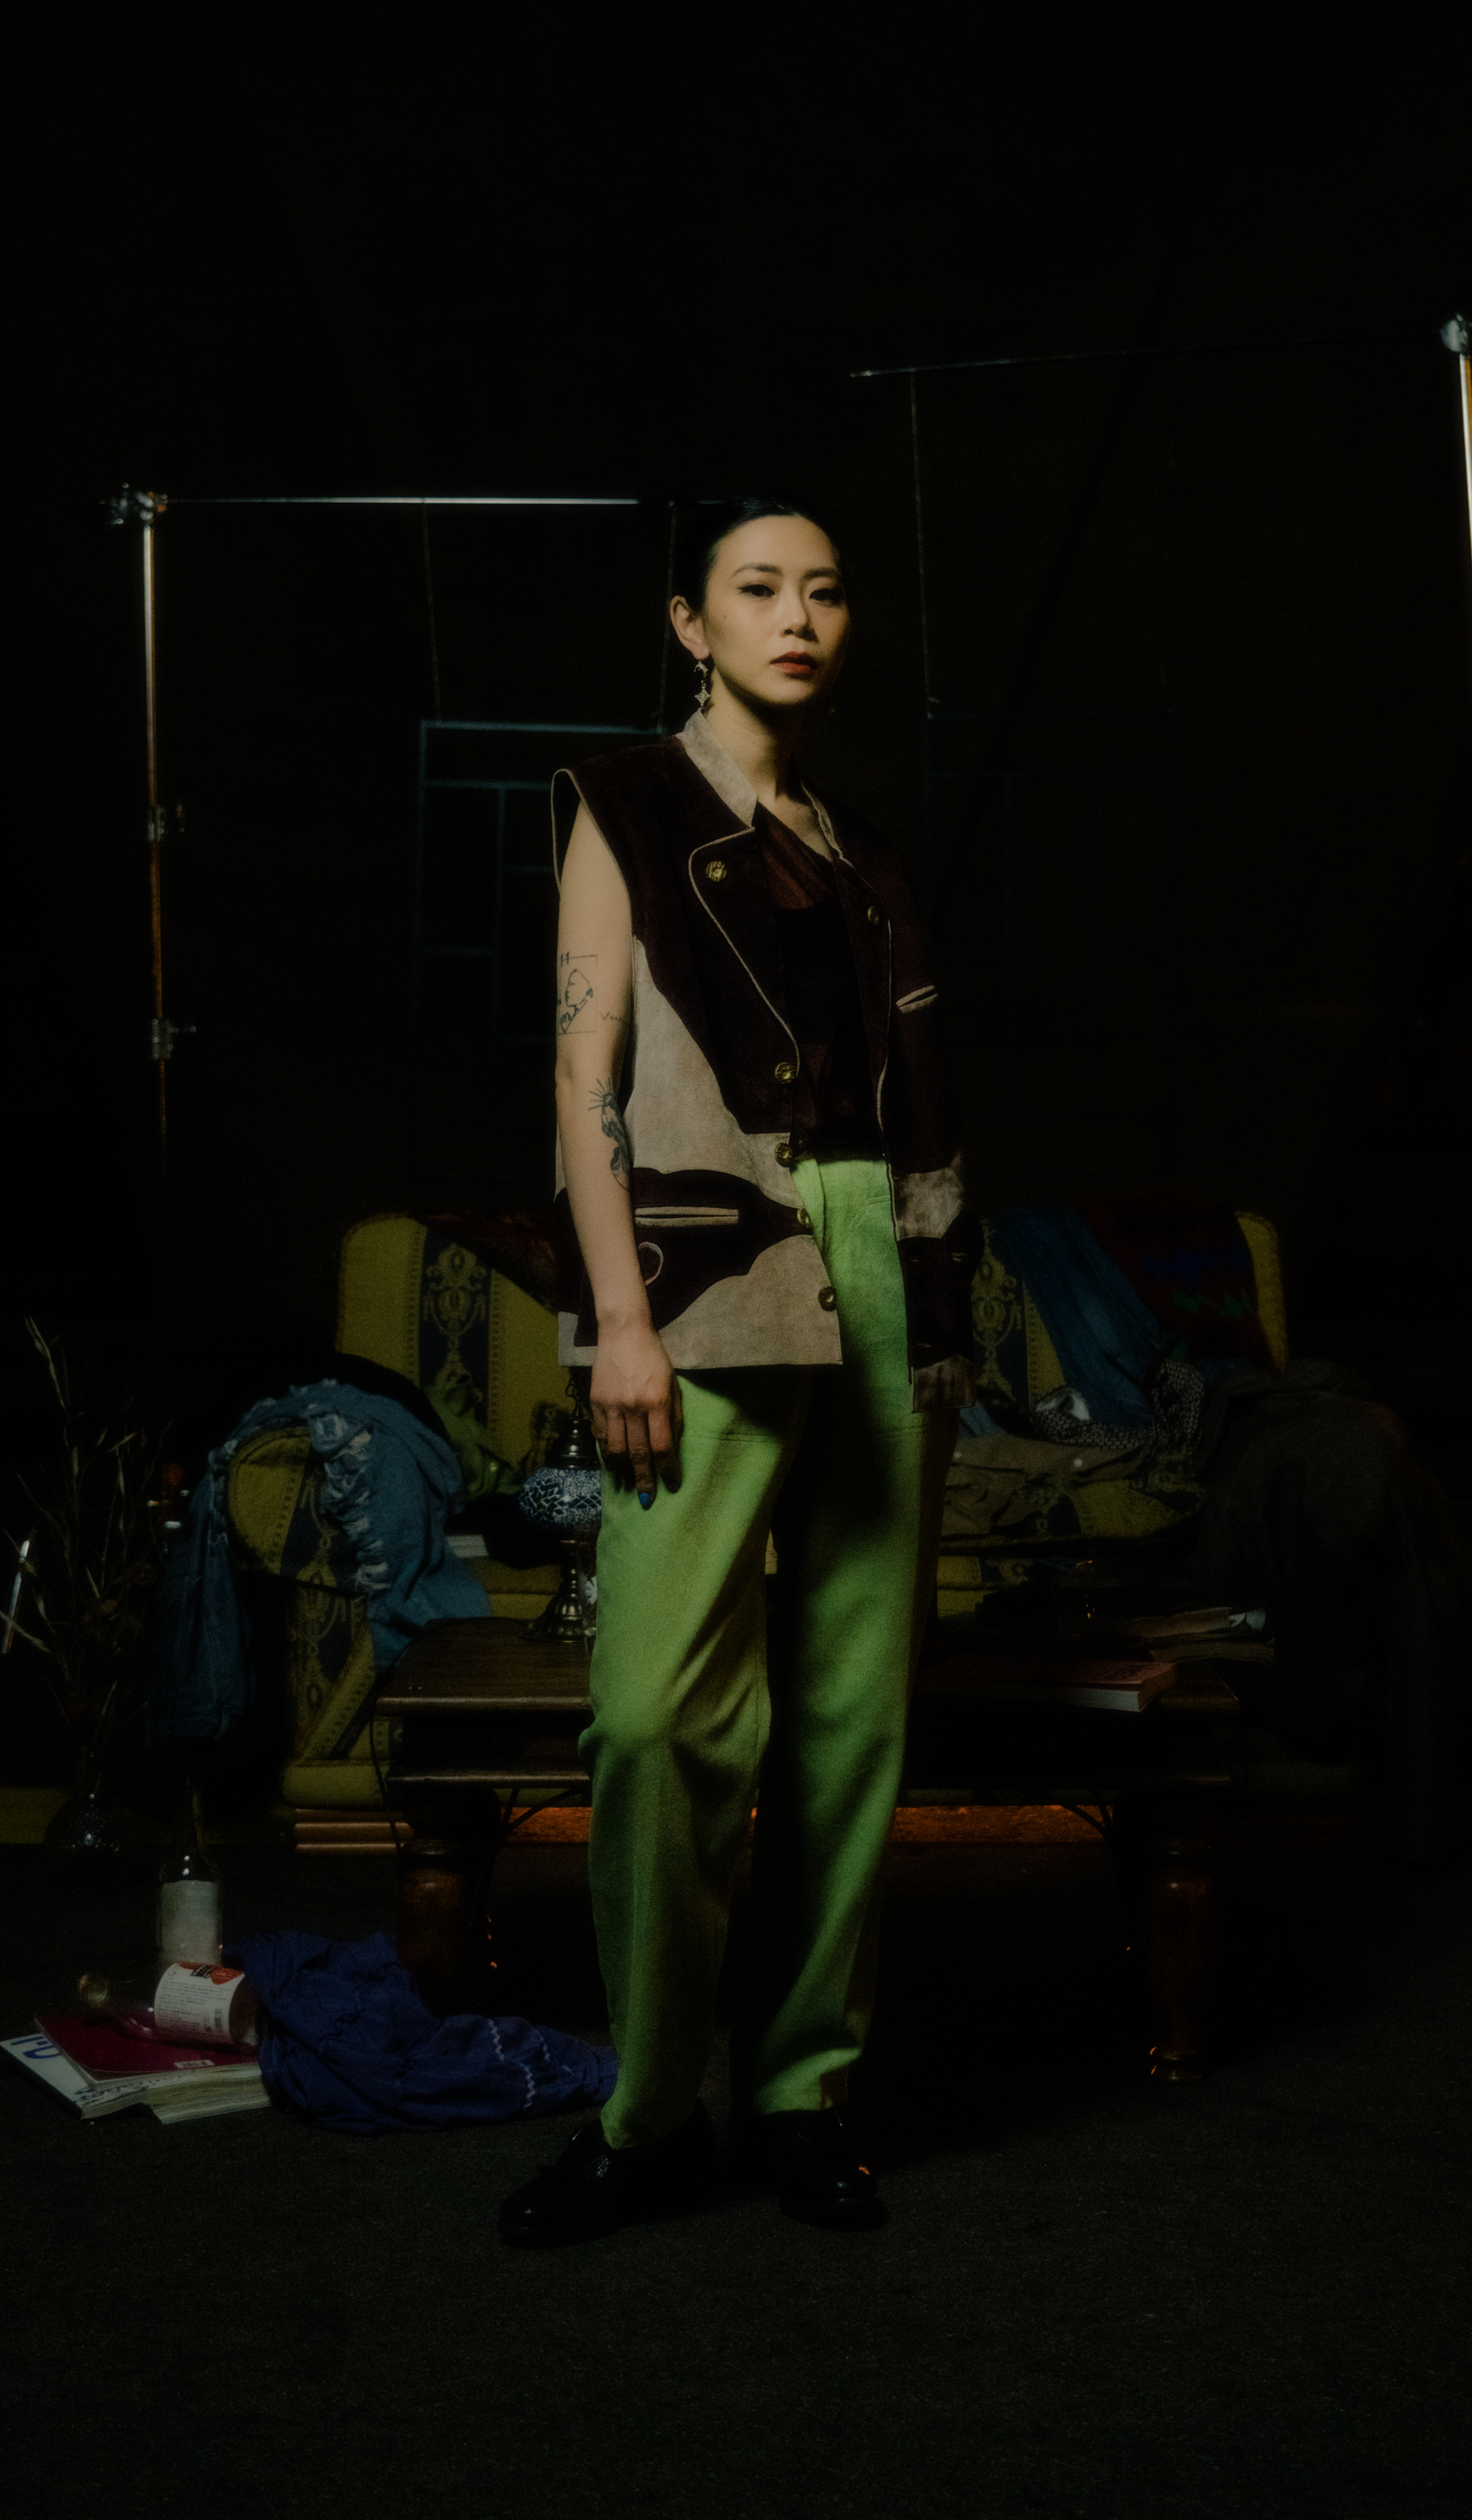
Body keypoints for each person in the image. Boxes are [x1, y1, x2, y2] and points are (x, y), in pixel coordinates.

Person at [498, 498, 975, 2248]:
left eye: (823, 591)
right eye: (758, 589)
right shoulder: (624, 800)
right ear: (689, 625)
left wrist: (934, 1306)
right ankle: (647, 2112)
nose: (798, 616)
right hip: (711, 1266)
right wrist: (618, 1317)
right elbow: (583, 1077)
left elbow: (910, 1101)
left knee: (850, 1715)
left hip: (883, 1259)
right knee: (653, 1714)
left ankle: (798, 2090)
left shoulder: (858, 847)